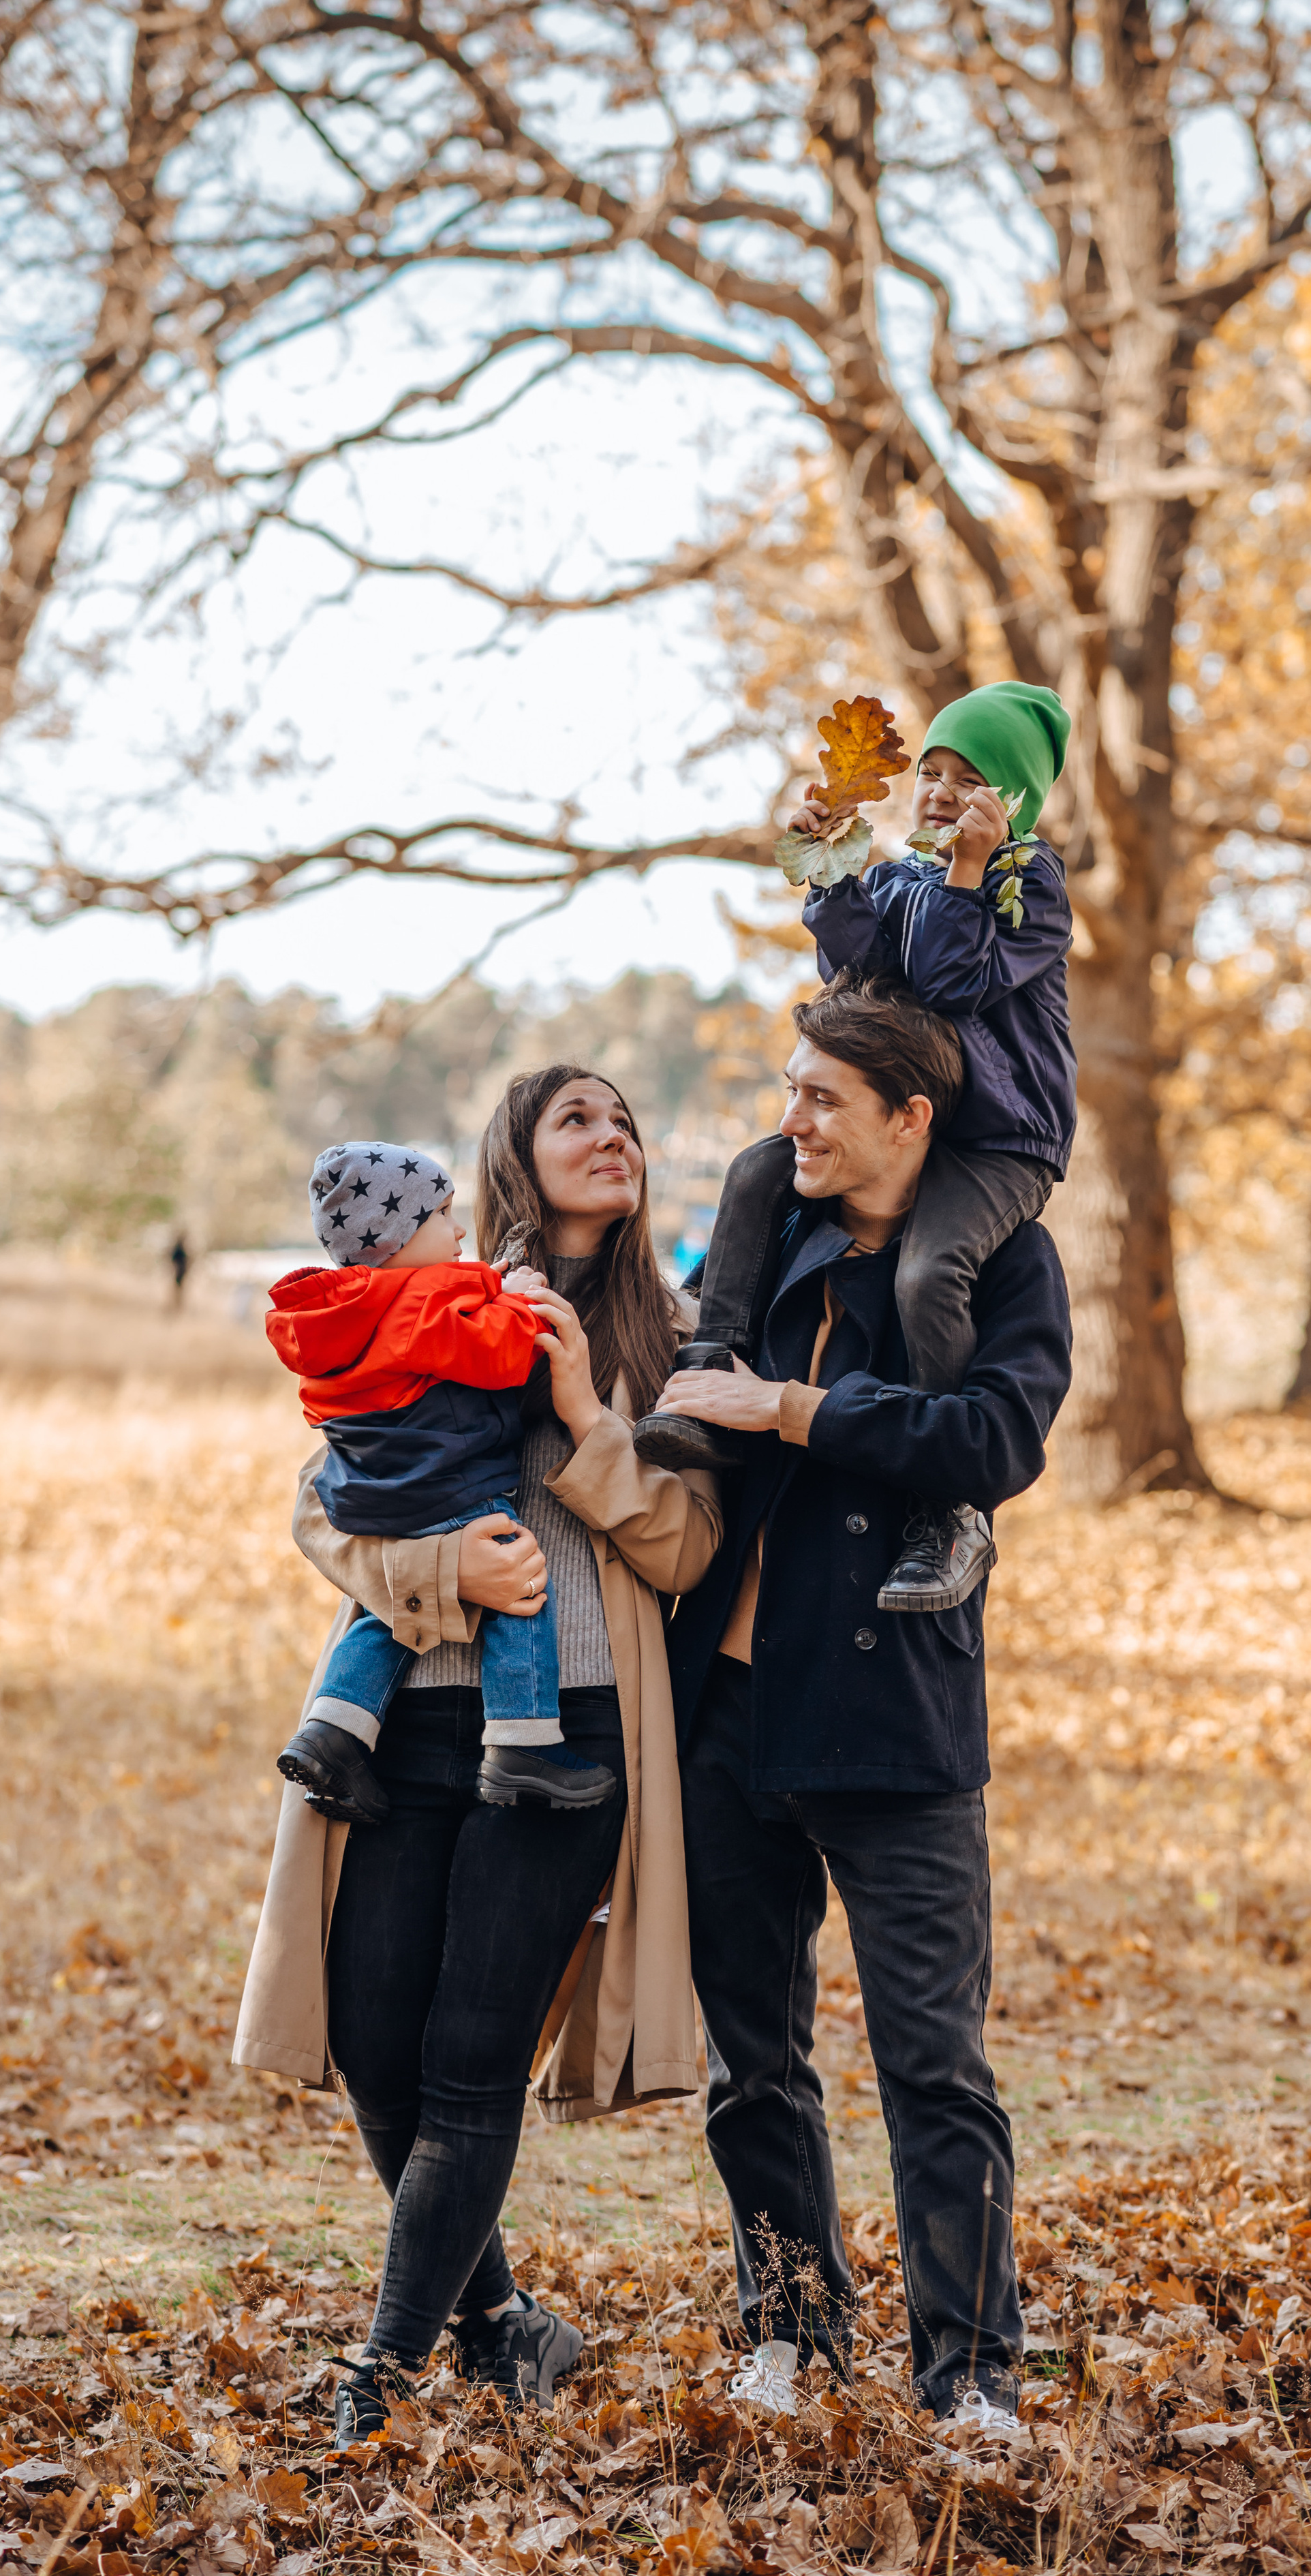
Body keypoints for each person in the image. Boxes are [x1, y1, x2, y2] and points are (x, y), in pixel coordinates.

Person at [232, 1067, 722, 2445]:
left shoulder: (667, 1330)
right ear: (512, 1151)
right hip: (410, 1718)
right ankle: (503, 2323)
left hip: (562, 1733)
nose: (611, 1135)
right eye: (578, 1117)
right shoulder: (423, 1288)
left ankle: (377, 2379)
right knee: (378, 2041)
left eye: (627, 1117)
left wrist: (580, 1416)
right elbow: (322, 1508)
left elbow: (685, 1546)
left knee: (467, 2057)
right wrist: (443, 1561)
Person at [653, 972, 1073, 2438]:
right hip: (728, 1713)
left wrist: (801, 1410)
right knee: (749, 2057)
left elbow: (993, 1438)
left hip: (896, 1721)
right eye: (787, 1094)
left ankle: (968, 2374)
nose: (791, 1122)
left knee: (932, 2066)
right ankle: (788, 2327)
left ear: (911, 1117)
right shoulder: (776, 1231)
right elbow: (687, 1358)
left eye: (821, 1099)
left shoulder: (1006, 1264)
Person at [636, 681, 1075, 1618]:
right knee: (759, 1165)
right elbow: (855, 974)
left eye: (974, 780)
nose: (945, 792)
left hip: (1003, 1139)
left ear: (1018, 805)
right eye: (934, 773)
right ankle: (708, 1366)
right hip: (924, 1121)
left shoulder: (1025, 883)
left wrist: (969, 870)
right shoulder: (907, 877)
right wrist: (835, 863)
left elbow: (954, 984)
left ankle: (947, 1510)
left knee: (928, 1273)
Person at [265, 1140, 612, 1819]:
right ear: (397, 1236)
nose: (459, 1232)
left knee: (391, 1616)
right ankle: (524, 1742)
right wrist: (515, 1302)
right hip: (449, 1480)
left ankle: (333, 1734)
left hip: (377, 1491)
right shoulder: (418, 1303)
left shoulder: (341, 1310)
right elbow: (502, 1357)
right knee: (518, 1587)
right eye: (444, 1215)